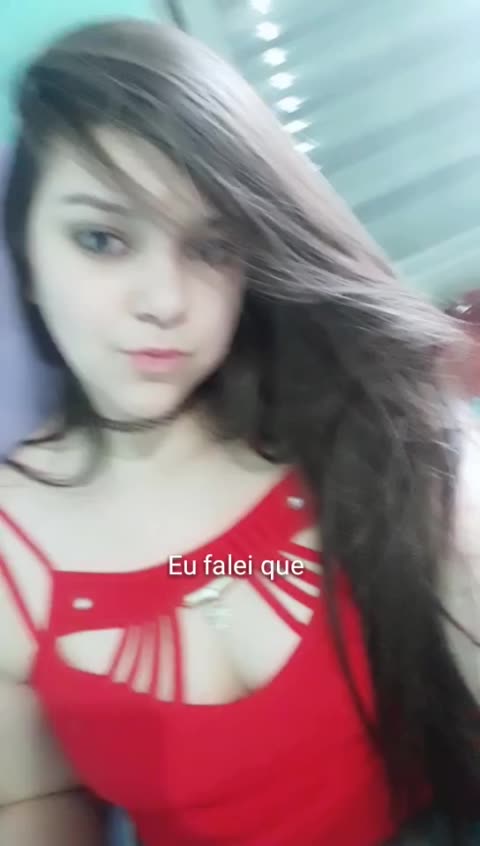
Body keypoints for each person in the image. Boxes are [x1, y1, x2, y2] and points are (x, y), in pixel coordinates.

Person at [0, 18, 479, 846]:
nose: (165, 300)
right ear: (28, 261)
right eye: (102, 239)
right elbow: (34, 798)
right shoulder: (10, 555)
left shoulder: (354, 427)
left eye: (212, 247)